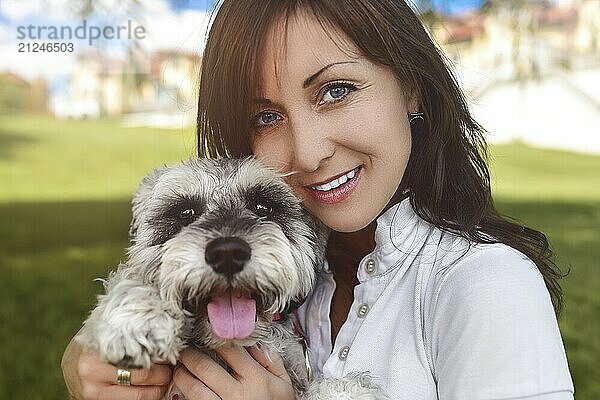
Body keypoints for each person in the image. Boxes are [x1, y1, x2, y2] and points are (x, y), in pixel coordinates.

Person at [61, 0, 575, 399]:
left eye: (336, 91)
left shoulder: (485, 285)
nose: (307, 153)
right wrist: (100, 361)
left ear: (412, 88)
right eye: (265, 116)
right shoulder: (299, 268)